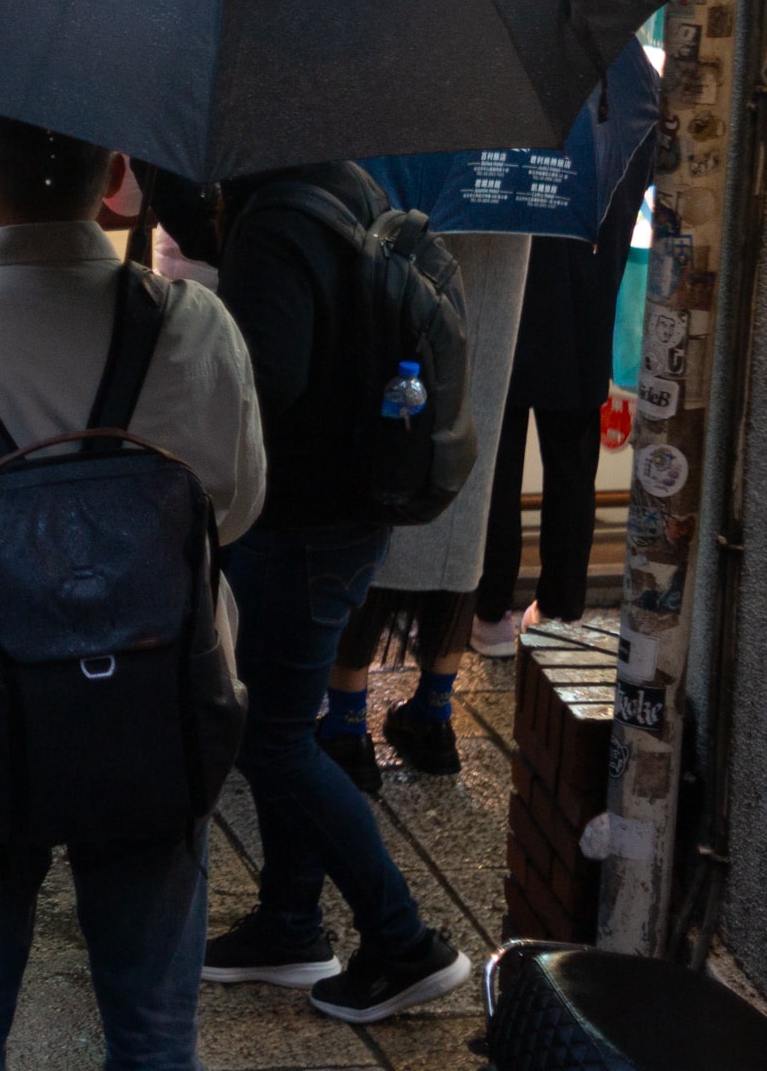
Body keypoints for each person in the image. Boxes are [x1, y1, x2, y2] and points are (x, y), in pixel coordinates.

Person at [0, 113, 266, 1070]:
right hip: (161, 714)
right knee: (153, 1035)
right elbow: (233, 510)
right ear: (116, 174)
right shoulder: (194, 325)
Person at [205, 159, 473, 1022]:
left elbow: (267, 387)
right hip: (352, 509)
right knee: (285, 722)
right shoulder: (344, 184)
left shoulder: (270, 225)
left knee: (270, 738)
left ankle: (404, 941)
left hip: (300, 521)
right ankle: (289, 921)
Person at [315, 235, 528, 784]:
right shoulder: (523, 152)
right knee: (464, 493)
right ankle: (433, 714)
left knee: (385, 471)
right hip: (496, 282)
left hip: (399, 261)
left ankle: (346, 720)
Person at [473, 136, 654, 652]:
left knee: (495, 470)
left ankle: (490, 615)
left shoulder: (503, 99)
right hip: (581, 304)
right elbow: (631, 188)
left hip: (501, 300)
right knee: (573, 470)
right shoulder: (611, 106)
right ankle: (558, 611)